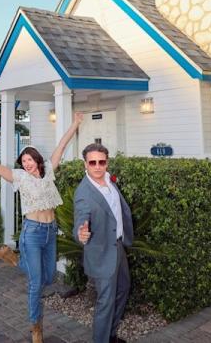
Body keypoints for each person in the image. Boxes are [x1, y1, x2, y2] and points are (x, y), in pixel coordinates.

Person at [0, 113, 83, 343]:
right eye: (23, 161)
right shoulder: (19, 177)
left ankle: (11, 257)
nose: (26, 164)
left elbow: (62, 145)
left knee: (50, 276)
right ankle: (36, 328)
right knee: (36, 284)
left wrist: (75, 123)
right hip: (32, 233)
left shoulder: (49, 173)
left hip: (50, 231)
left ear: (37, 160)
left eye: (29, 160)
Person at [74, 143, 134, 343]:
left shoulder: (109, 180)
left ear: (107, 163)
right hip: (102, 253)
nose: (98, 166)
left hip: (117, 246)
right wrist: (81, 233)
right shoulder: (84, 193)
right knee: (105, 302)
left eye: (102, 162)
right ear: (86, 164)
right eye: (93, 162)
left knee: (124, 288)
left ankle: (111, 335)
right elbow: (81, 218)